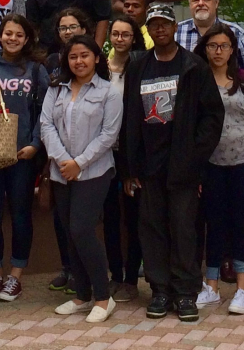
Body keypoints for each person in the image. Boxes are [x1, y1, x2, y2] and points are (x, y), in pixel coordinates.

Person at [123, 3, 224, 322]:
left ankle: (185, 293)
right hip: (148, 169)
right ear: (148, 30)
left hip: (182, 168)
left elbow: (212, 116)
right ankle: (160, 290)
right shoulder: (138, 67)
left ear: (173, 27)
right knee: (151, 230)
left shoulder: (194, 66)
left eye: (165, 23)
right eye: (153, 25)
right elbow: (129, 118)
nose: (160, 29)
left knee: (183, 230)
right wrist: (130, 167)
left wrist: (194, 158)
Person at [41, 34, 123, 324]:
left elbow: (109, 135)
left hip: (95, 171)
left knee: (81, 229)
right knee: (69, 231)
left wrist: (79, 163)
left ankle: (103, 297)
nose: (79, 61)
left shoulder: (109, 92)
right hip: (61, 171)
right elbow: (46, 125)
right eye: (73, 56)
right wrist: (64, 161)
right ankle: (82, 295)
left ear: (97, 58)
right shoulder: (56, 89)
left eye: (85, 55)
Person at [194, 24, 244, 315]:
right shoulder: (198, 80)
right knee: (214, 224)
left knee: (239, 223)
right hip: (211, 163)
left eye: (224, 46)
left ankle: (240, 289)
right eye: (212, 46)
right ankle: (210, 286)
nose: (218, 51)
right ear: (205, 49)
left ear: (232, 50)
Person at [0, 14, 49, 301]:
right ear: (0, 35)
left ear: (26, 39)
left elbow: (47, 111)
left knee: (21, 215)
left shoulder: (35, 69)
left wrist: (36, 144)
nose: (12, 39)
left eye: (18, 35)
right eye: (8, 34)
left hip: (22, 154)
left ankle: (15, 276)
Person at [45, 6, 96, 293]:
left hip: (91, 161)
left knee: (84, 223)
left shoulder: (95, 64)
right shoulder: (50, 62)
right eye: (63, 28)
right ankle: (68, 268)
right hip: (57, 158)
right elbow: (46, 118)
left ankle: (88, 276)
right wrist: (62, 158)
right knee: (61, 218)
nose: (68, 32)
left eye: (73, 27)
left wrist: (80, 160)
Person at [103, 17, 145, 301]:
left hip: (132, 153)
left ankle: (131, 278)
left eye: (125, 34)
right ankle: (114, 276)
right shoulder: (99, 68)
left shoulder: (141, 67)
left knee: (134, 217)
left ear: (133, 38)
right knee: (109, 217)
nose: (120, 39)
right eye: (115, 34)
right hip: (105, 153)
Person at [175, 0, 244, 78]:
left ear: (216, 3)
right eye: (195, 0)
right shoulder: (176, 33)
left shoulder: (237, 33)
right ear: (189, 4)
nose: (200, 3)